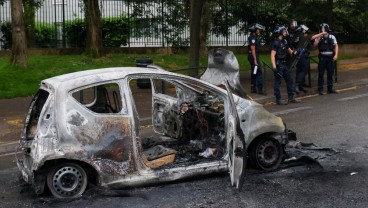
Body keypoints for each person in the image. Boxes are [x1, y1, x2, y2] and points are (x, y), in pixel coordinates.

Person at [270, 25, 300, 105]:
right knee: (278, 82)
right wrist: (274, 66)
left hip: (284, 64)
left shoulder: (284, 41)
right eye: (284, 31)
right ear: (280, 32)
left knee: (289, 80)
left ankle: (291, 98)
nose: (285, 32)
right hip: (279, 64)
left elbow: (290, 51)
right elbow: (272, 55)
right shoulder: (276, 42)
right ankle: (278, 99)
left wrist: (296, 52)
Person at [313, 23, 339, 95]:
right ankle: (320, 89)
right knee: (321, 74)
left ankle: (330, 89)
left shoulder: (332, 37)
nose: (323, 30)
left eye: (324, 29)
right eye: (321, 29)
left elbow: (336, 45)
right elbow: (315, 45)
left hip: (330, 57)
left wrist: (336, 55)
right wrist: (319, 36)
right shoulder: (319, 37)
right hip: (322, 57)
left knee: (330, 73)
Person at [292, 24, 312, 94]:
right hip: (303, 56)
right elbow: (311, 40)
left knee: (299, 70)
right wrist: (321, 33)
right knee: (304, 70)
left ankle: (299, 87)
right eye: (304, 30)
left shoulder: (295, 37)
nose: (305, 31)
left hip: (298, 56)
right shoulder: (302, 37)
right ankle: (297, 85)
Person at [247, 23, 265, 94]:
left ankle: (253, 87)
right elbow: (253, 49)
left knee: (254, 71)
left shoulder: (253, 37)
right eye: (258, 30)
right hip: (253, 56)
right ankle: (260, 89)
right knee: (259, 71)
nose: (259, 31)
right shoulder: (253, 38)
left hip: (252, 56)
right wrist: (255, 60)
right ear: (254, 30)